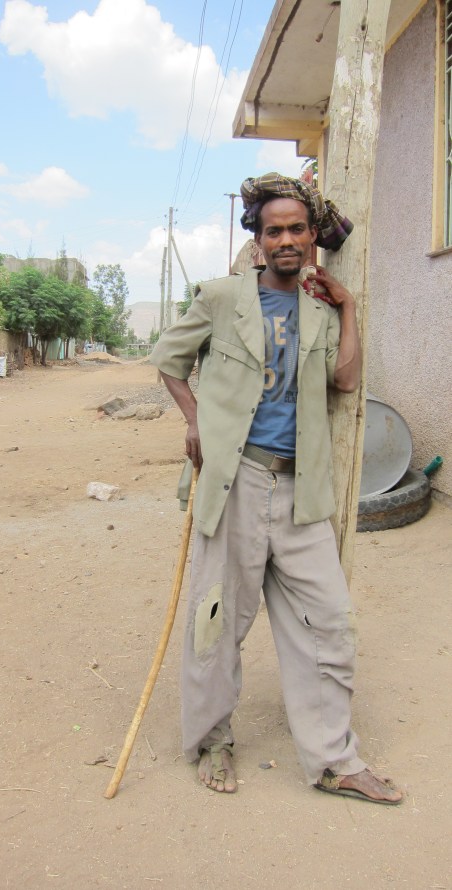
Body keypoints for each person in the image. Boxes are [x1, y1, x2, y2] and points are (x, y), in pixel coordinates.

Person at [150, 173, 402, 805]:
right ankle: (212, 739)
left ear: (312, 236)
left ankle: (333, 760)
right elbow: (169, 360)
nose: (285, 240)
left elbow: (346, 382)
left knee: (329, 622)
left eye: (296, 229)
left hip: (301, 491)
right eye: (273, 231)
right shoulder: (221, 297)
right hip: (235, 481)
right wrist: (194, 420)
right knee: (215, 619)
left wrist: (348, 308)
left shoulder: (321, 309)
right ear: (258, 240)